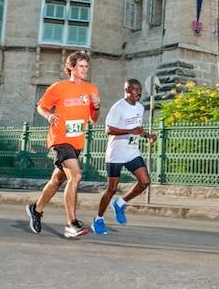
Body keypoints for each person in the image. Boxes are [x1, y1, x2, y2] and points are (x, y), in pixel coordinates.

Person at [26, 51, 100, 238]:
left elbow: (94, 120)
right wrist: (49, 115)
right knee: (76, 176)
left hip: (77, 142)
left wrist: (97, 107)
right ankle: (71, 224)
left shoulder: (91, 89)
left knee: (57, 180)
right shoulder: (58, 87)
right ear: (71, 68)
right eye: (81, 66)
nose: (85, 70)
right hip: (60, 139)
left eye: (86, 67)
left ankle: (36, 209)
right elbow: (41, 106)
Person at [91, 78, 154, 235]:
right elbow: (108, 130)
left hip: (132, 151)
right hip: (116, 153)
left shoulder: (140, 107)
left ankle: (120, 203)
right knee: (112, 188)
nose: (139, 92)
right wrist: (130, 131)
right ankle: (98, 219)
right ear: (127, 90)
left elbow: (136, 128)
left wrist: (146, 135)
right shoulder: (118, 107)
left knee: (145, 182)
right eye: (135, 89)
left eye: (140, 89)